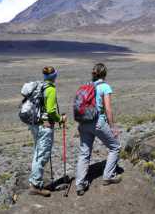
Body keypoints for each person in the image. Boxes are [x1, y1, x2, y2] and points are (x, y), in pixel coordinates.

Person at [76, 63, 121, 196]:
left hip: (83, 123)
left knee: (84, 153)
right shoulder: (104, 87)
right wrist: (113, 127)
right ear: (104, 74)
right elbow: (108, 109)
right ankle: (108, 176)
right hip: (97, 122)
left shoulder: (86, 86)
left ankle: (80, 184)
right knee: (115, 147)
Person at [28, 66, 67, 197]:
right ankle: (36, 185)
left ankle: (34, 182)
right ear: (54, 76)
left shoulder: (40, 87)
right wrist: (60, 118)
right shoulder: (50, 89)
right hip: (45, 126)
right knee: (42, 155)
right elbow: (50, 110)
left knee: (37, 153)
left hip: (35, 125)